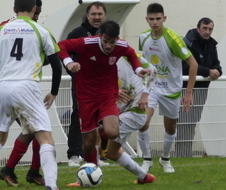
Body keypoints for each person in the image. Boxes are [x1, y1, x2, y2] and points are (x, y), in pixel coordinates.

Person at [0, 1, 62, 190]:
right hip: (27, 86)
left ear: (14, 9)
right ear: (34, 8)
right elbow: (56, 65)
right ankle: (52, 186)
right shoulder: (41, 30)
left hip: (3, 88)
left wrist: (1, 81)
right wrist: (53, 92)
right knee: (46, 139)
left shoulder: (1, 30)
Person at [58, 20, 148, 169]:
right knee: (88, 143)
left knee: (112, 132)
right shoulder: (86, 43)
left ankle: (100, 128)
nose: (108, 46)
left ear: (117, 40)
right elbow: (61, 45)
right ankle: (92, 169)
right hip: (85, 96)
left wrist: (138, 70)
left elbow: (131, 54)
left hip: (106, 94)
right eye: (106, 41)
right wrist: (68, 63)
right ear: (100, 36)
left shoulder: (121, 46)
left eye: (112, 42)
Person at [138, 3, 198, 173]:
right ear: (147, 20)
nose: (155, 22)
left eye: (158, 19)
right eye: (152, 19)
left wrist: (188, 93)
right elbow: (144, 60)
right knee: (142, 121)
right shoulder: (143, 37)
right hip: (151, 87)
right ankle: (147, 159)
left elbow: (193, 64)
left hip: (171, 90)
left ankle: (165, 159)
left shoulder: (173, 38)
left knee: (170, 127)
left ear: (164, 19)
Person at [64, 1, 109, 167]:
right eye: (93, 14)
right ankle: (74, 155)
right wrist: (72, 71)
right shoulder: (77, 33)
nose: (96, 17)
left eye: (100, 14)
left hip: (102, 84)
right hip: (81, 85)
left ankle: (95, 156)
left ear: (104, 16)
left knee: (99, 119)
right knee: (78, 116)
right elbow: (63, 53)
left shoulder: (108, 33)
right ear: (87, 15)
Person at [105, 54, 157, 184]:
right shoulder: (100, 58)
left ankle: (89, 172)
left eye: (112, 41)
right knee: (111, 153)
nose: (108, 45)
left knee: (100, 132)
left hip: (135, 112)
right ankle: (144, 177)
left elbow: (153, 71)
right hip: (120, 112)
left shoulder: (129, 55)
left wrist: (145, 95)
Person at [175, 17, 222, 157]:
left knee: (191, 123)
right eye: (205, 28)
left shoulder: (212, 45)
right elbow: (184, 66)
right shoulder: (188, 42)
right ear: (198, 28)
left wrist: (217, 71)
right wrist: (207, 72)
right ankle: (181, 154)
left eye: (210, 29)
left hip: (202, 90)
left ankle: (184, 154)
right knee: (184, 123)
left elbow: (217, 64)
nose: (207, 32)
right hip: (185, 89)